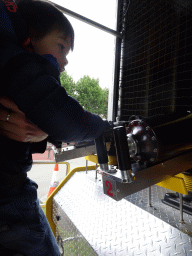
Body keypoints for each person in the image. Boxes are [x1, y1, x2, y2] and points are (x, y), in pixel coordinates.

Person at [0, 0, 110, 255]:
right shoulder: (20, 64)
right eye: (61, 46)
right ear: (30, 38)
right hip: (10, 196)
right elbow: (64, 118)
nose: (64, 61)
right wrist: (102, 127)